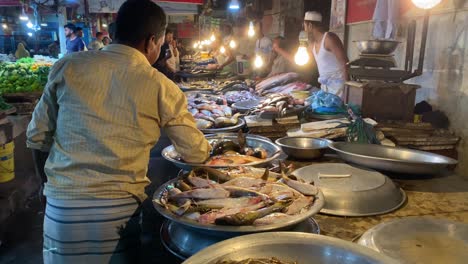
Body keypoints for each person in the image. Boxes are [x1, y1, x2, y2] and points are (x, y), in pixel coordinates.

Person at [26, 0, 210, 263]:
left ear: (114, 33)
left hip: (62, 208)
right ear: (151, 42)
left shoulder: (68, 66)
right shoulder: (160, 85)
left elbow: (36, 137)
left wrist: (48, 188)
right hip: (118, 211)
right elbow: (196, 153)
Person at [273, 11, 348, 97]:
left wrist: (347, 89)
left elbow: (345, 63)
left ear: (310, 26)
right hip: (326, 88)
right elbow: (297, 61)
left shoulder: (329, 38)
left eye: (304, 26)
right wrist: (279, 49)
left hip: (339, 88)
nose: (304, 30)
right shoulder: (312, 45)